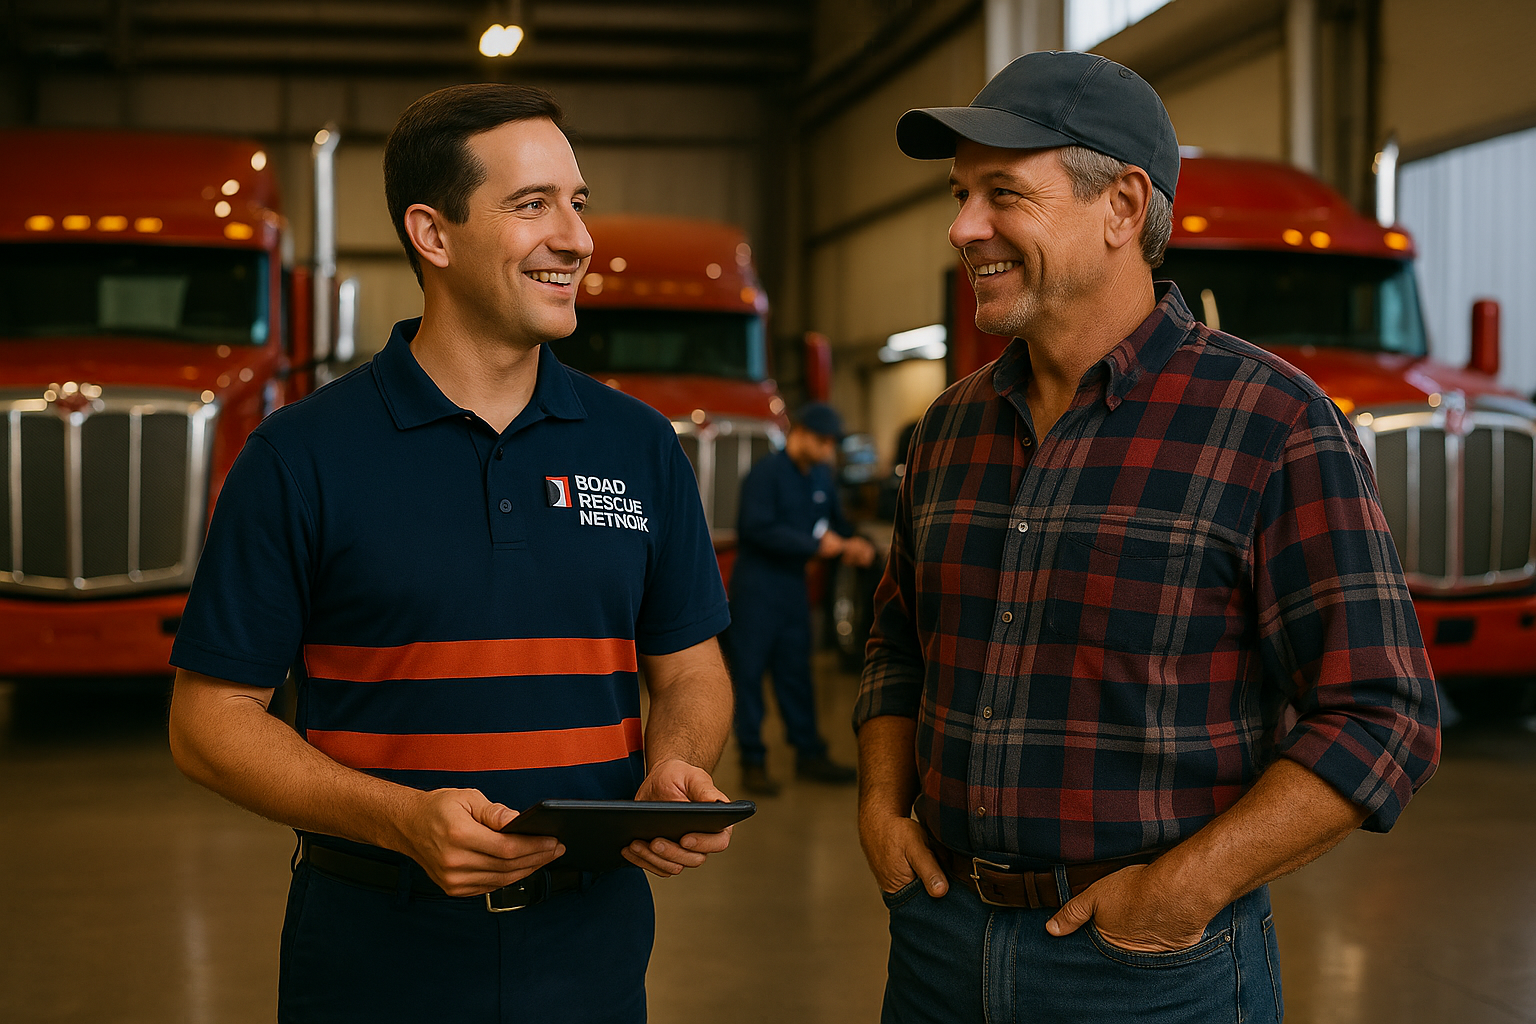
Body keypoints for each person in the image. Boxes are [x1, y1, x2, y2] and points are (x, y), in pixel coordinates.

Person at [855, 51, 1440, 1023]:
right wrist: (881, 808)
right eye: (961, 196)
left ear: (1123, 207)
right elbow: (898, 646)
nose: (962, 228)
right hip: (937, 942)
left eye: (1003, 193)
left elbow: (1382, 715)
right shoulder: (950, 429)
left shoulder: (1272, 424)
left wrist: (1179, 894)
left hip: (1147, 971)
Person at [166, 84, 736, 1024]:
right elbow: (209, 721)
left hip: (591, 944)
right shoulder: (301, 456)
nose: (577, 239)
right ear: (432, 234)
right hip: (376, 950)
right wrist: (399, 819)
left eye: (578, 203)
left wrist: (673, 769)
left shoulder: (639, 446)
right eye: (532, 205)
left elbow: (690, 670)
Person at [726, 402, 875, 795]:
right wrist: (814, 545)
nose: (829, 450)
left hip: (794, 591)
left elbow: (838, 524)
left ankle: (809, 754)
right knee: (749, 676)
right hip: (757, 590)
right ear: (802, 434)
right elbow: (755, 528)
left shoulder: (821, 476)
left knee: (796, 675)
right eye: (823, 441)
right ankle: (752, 760)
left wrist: (856, 543)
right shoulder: (766, 475)